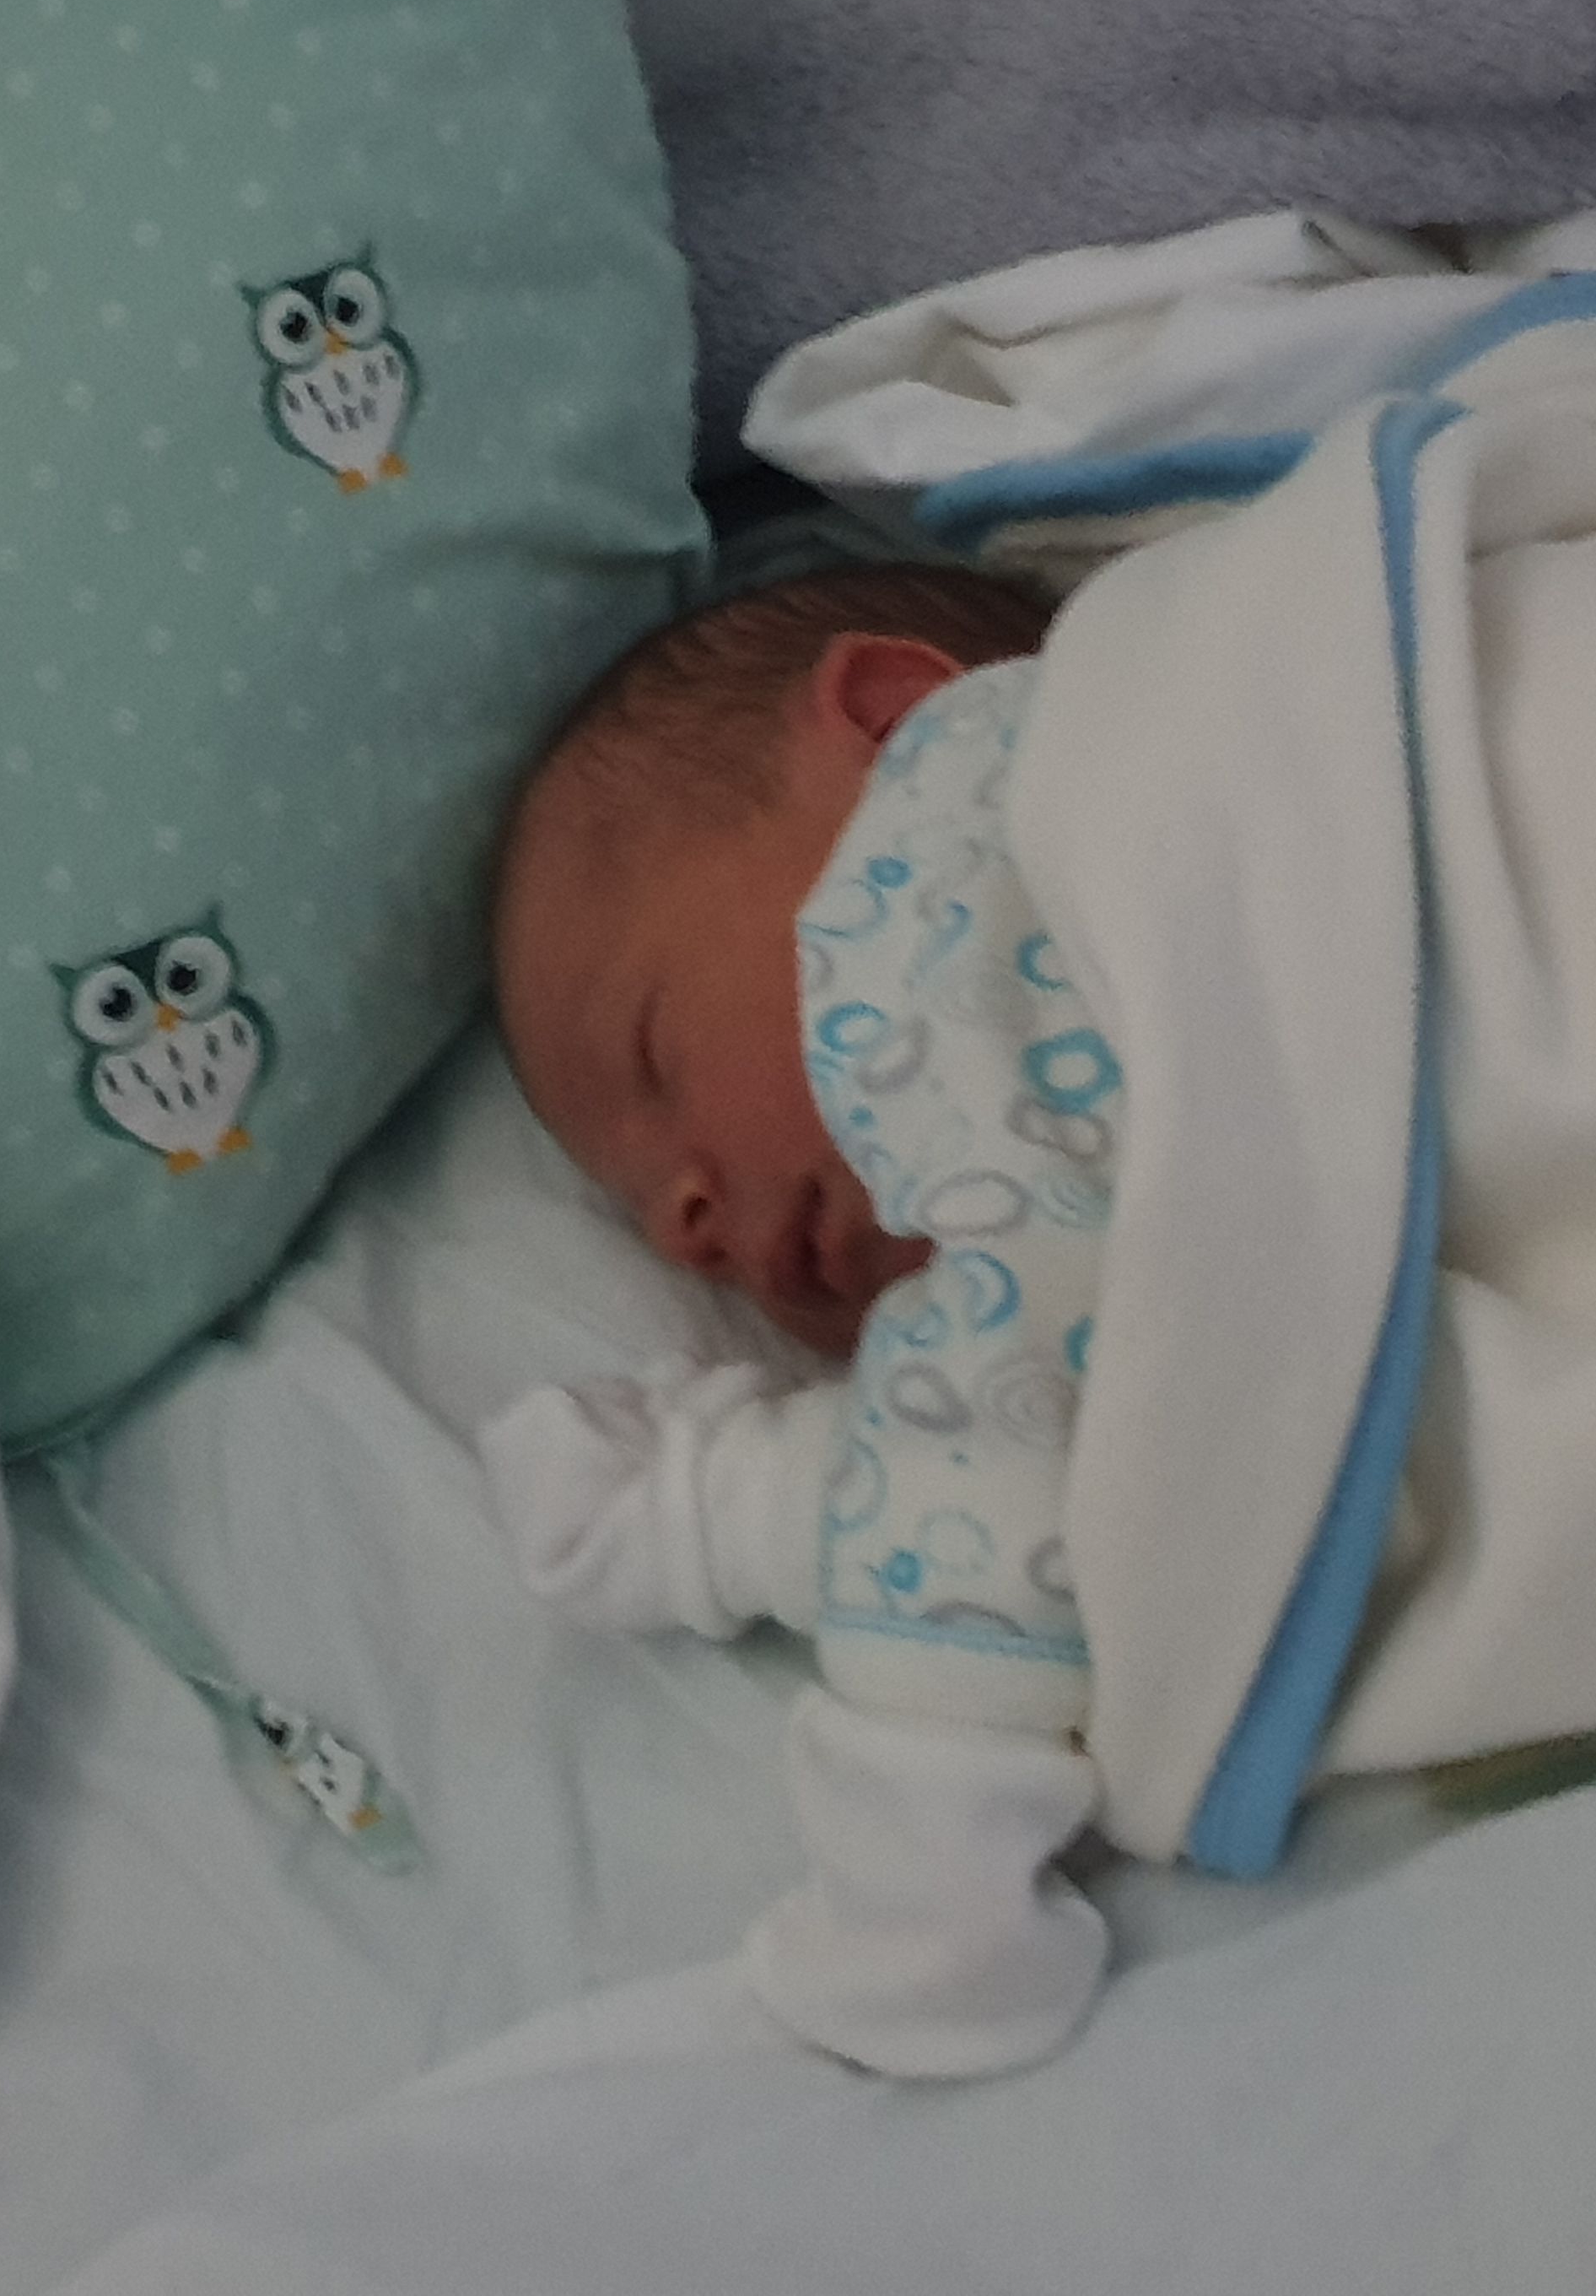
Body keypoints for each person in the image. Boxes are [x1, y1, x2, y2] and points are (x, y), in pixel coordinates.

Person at [484, 561, 1132, 2077]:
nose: (683, 1226)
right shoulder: (1047, 1257)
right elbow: (1021, 1447)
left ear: (899, 724)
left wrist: (924, 1901)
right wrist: (754, 1503)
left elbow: (970, 1516)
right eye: (648, 1214)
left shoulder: (1014, 819)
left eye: (654, 1053)